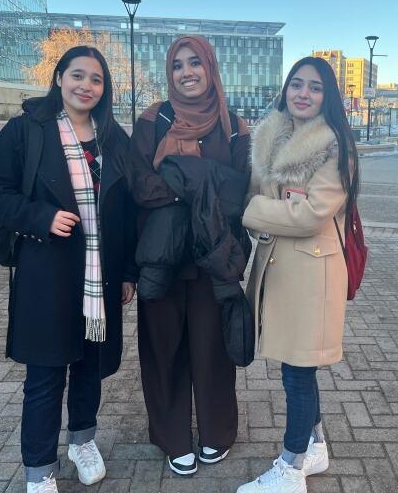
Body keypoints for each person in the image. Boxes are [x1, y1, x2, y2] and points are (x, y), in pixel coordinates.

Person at [0, 46, 137, 493]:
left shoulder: (113, 138)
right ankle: (40, 468)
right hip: (47, 274)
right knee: (45, 374)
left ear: (105, 89)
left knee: (89, 366)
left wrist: (128, 273)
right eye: (78, 75)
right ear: (59, 77)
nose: (86, 86)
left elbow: (128, 211)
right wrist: (39, 217)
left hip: (100, 276)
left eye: (96, 79)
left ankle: (83, 440)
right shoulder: (27, 130)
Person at [129, 35, 251, 476]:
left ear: (210, 67)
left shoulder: (234, 124)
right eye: (178, 65)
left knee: (212, 349)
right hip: (161, 257)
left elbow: (240, 192)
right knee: (164, 349)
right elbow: (137, 184)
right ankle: (172, 436)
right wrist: (199, 184)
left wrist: (185, 177)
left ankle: (217, 432)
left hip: (213, 258)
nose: (187, 72)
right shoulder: (153, 119)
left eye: (195, 63)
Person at [238, 57, 360, 493]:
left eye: (314, 87)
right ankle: (316, 444)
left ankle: (290, 469)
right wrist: (274, 210)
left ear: (328, 96)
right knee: (298, 366)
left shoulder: (335, 146)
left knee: (298, 372)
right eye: (296, 84)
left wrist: (252, 212)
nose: (303, 94)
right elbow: (272, 199)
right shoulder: (271, 137)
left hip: (312, 273)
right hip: (279, 268)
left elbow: (310, 213)